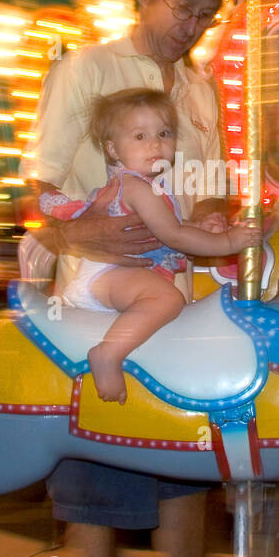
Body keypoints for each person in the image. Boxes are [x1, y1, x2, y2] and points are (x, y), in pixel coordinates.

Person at [22, 0, 236, 557]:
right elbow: (37, 187)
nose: (193, 25)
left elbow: (208, 189)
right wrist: (78, 233)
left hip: (177, 295)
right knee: (96, 484)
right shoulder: (86, 68)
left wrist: (211, 220)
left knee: (187, 473)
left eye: (206, 14)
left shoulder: (202, 92)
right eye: (184, 7)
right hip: (101, 291)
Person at [48, 88, 258, 403]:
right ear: (112, 149)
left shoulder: (147, 186)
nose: (155, 144)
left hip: (117, 275)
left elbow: (163, 228)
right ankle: (108, 353)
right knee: (167, 299)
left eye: (163, 133)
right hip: (107, 275)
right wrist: (227, 242)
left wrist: (199, 227)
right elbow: (171, 235)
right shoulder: (136, 186)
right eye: (140, 136)